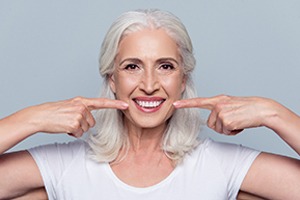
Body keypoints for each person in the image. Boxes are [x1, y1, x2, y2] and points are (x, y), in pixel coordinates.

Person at [0, 9, 299, 200]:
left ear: (183, 79)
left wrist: (271, 113)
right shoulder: (64, 166)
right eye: (132, 67)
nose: (149, 84)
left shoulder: (220, 165)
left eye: (165, 66)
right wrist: (32, 119)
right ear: (111, 79)